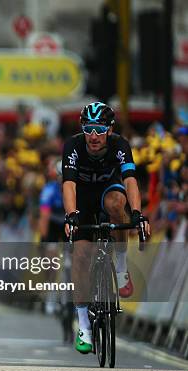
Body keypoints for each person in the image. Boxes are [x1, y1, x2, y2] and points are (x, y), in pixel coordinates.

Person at [62, 102, 151, 354]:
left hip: (108, 192)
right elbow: (68, 185)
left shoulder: (121, 145)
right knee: (80, 257)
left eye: (99, 130)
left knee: (117, 205)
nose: (93, 136)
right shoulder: (73, 146)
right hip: (81, 200)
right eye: (88, 129)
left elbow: (131, 180)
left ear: (109, 130)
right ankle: (83, 326)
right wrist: (71, 216)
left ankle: (121, 267)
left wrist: (137, 214)